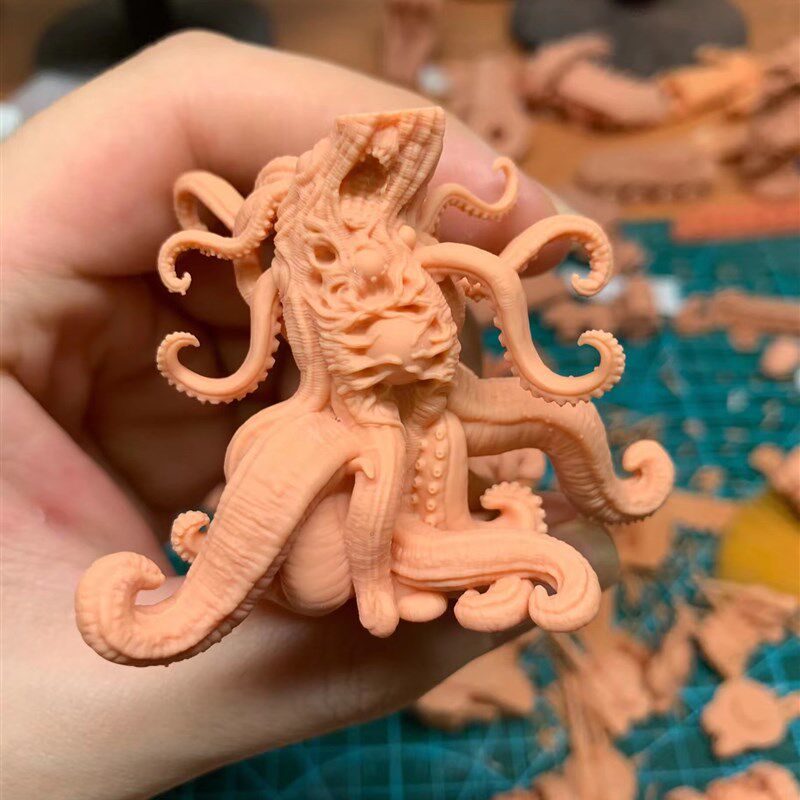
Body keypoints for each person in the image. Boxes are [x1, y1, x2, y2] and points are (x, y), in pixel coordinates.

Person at [0, 32, 617, 799]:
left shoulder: (420, 345)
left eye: (406, 281)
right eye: (351, 286)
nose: (397, 305)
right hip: (331, 499)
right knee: (329, 573)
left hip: (403, 453)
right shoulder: (309, 429)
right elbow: (174, 617)